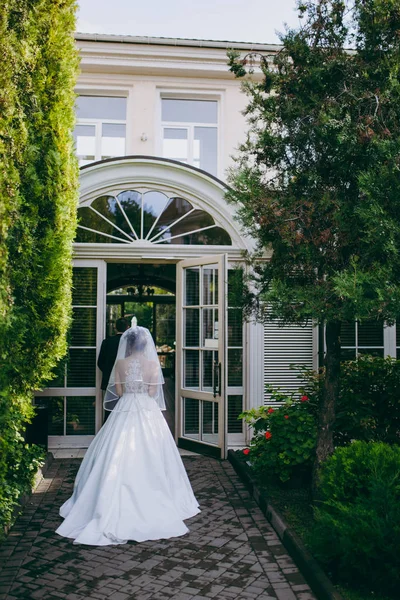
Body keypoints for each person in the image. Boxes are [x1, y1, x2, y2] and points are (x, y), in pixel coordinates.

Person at [56, 321, 200, 546]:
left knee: (113, 450)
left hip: (124, 408)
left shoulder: (121, 363)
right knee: (155, 451)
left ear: (129, 345)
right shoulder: (153, 365)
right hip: (146, 409)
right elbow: (153, 392)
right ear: (145, 345)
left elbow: (119, 391)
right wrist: (143, 392)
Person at [97, 317, 130, 392]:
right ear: (128, 328)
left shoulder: (107, 342)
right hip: (125, 380)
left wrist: (109, 372)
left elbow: (100, 362)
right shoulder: (130, 343)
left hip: (109, 380)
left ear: (115, 328)